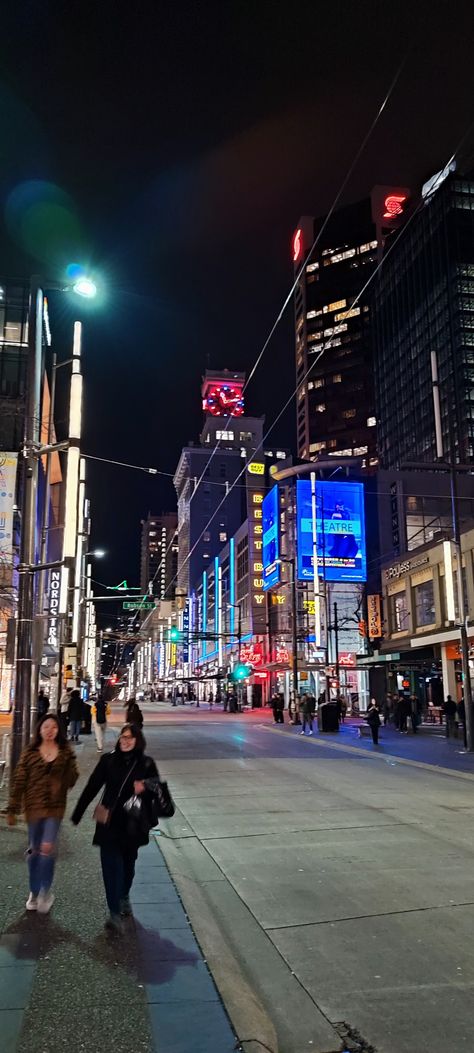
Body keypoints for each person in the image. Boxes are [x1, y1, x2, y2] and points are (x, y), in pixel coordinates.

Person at [71, 723, 159, 934]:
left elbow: (156, 790)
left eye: (130, 737)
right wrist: (78, 812)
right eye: (123, 737)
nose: (125, 741)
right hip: (109, 821)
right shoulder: (108, 760)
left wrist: (145, 786)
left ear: (138, 740)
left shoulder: (146, 763)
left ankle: (124, 894)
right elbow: (93, 786)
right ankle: (114, 911)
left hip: (133, 824)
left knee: (128, 864)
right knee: (111, 867)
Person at [7, 714, 78, 913]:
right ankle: (34, 890)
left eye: (54, 727)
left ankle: (45, 891)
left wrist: (67, 770)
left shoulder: (65, 752)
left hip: (55, 808)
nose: (50, 730)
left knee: (47, 848)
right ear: (39, 729)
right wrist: (12, 808)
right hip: (33, 808)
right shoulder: (30, 752)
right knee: (34, 850)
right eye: (46, 726)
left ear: (58, 731)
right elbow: (19, 781)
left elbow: (72, 779)